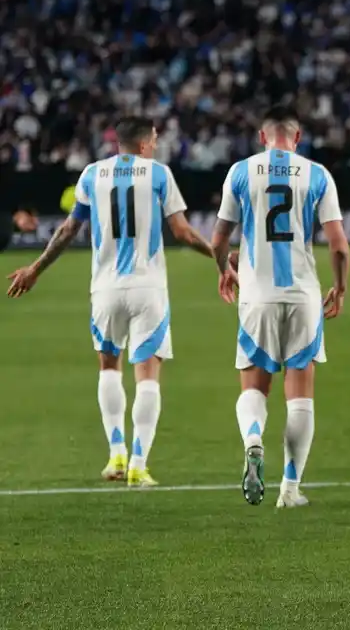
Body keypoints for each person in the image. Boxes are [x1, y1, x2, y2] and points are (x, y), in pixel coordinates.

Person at [6, 117, 214, 487]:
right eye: (153, 140)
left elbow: (68, 229)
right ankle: (138, 463)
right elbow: (181, 232)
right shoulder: (159, 174)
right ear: (144, 143)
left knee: (108, 367)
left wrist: (36, 269)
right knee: (148, 373)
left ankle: (115, 452)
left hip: (104, 290)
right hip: (147, 288)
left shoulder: (91, 175)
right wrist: (220, 256)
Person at [211, 106, 350, 509]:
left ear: (261, 137)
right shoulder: (316, 173)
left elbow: (219, 241)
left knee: (254, 386)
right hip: (303, 296)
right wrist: (339, 288)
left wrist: (225, 270)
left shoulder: (240, 172)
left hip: (257, 295)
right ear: (297, 136)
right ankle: (290, 489)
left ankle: (253, 440)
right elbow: (339, 245)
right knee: (300, 395)